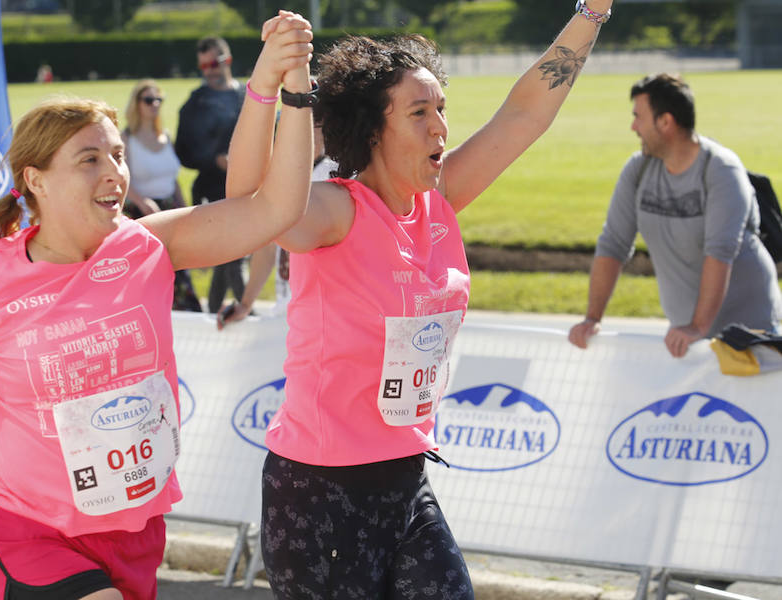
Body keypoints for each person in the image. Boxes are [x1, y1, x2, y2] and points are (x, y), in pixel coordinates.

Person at [0, 11, 314, 599]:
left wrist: (282, 87)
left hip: (134, 533)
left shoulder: (149, 247)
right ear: (35, 180)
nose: (114, 172)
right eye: (90, 159)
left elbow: (276, 209)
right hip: (26, 533)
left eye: (117, 155)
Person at [226, 2, 615, 597]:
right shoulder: (335, 210)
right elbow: (248, 204)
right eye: (419, 112)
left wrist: (592, 9)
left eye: (441, 109)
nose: (441, 127)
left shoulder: (439, 202)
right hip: (320, 494)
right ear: (374, 129)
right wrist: (265, 86)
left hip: (405, 481)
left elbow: (525, 114)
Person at [568, 73, 782, 358]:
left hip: (751, 336)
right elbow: (613, 244)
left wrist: (697, 327)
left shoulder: (721, 170)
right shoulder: (639, 169)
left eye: (638, 117)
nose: (633, 126)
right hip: (687, 337)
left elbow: (719, 252)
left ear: (665, 122)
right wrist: (592, 319)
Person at [217, 115, 335, 326]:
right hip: (287, 308)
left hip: (324, 312)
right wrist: (246, 303)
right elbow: (269, 245)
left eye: (309, 124)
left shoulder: (337, 176)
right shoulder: (279, 175)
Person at [175, 35, 247, 313]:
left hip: (250, 187)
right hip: (213, 190)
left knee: (229, 256)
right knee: (234, 254)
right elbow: (184, 154)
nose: (212, 70)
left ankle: (214, 309)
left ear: (227, 60)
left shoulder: (245, 95)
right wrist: (215, 161)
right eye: (205, 66)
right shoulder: (194, 105)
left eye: (216, 63)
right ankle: (246, 310)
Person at [122, 79, 201, 312]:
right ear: (136, 104)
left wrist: (185, 208)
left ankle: (186, 315)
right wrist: (142, 202)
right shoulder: (127, 139)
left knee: (179, 268)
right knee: (149, 272)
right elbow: (122, 180)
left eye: (159, 99)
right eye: (148, 100)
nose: (154, 104)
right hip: (141, 213)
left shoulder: (165, 136)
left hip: (170, 207)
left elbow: (172, 177)